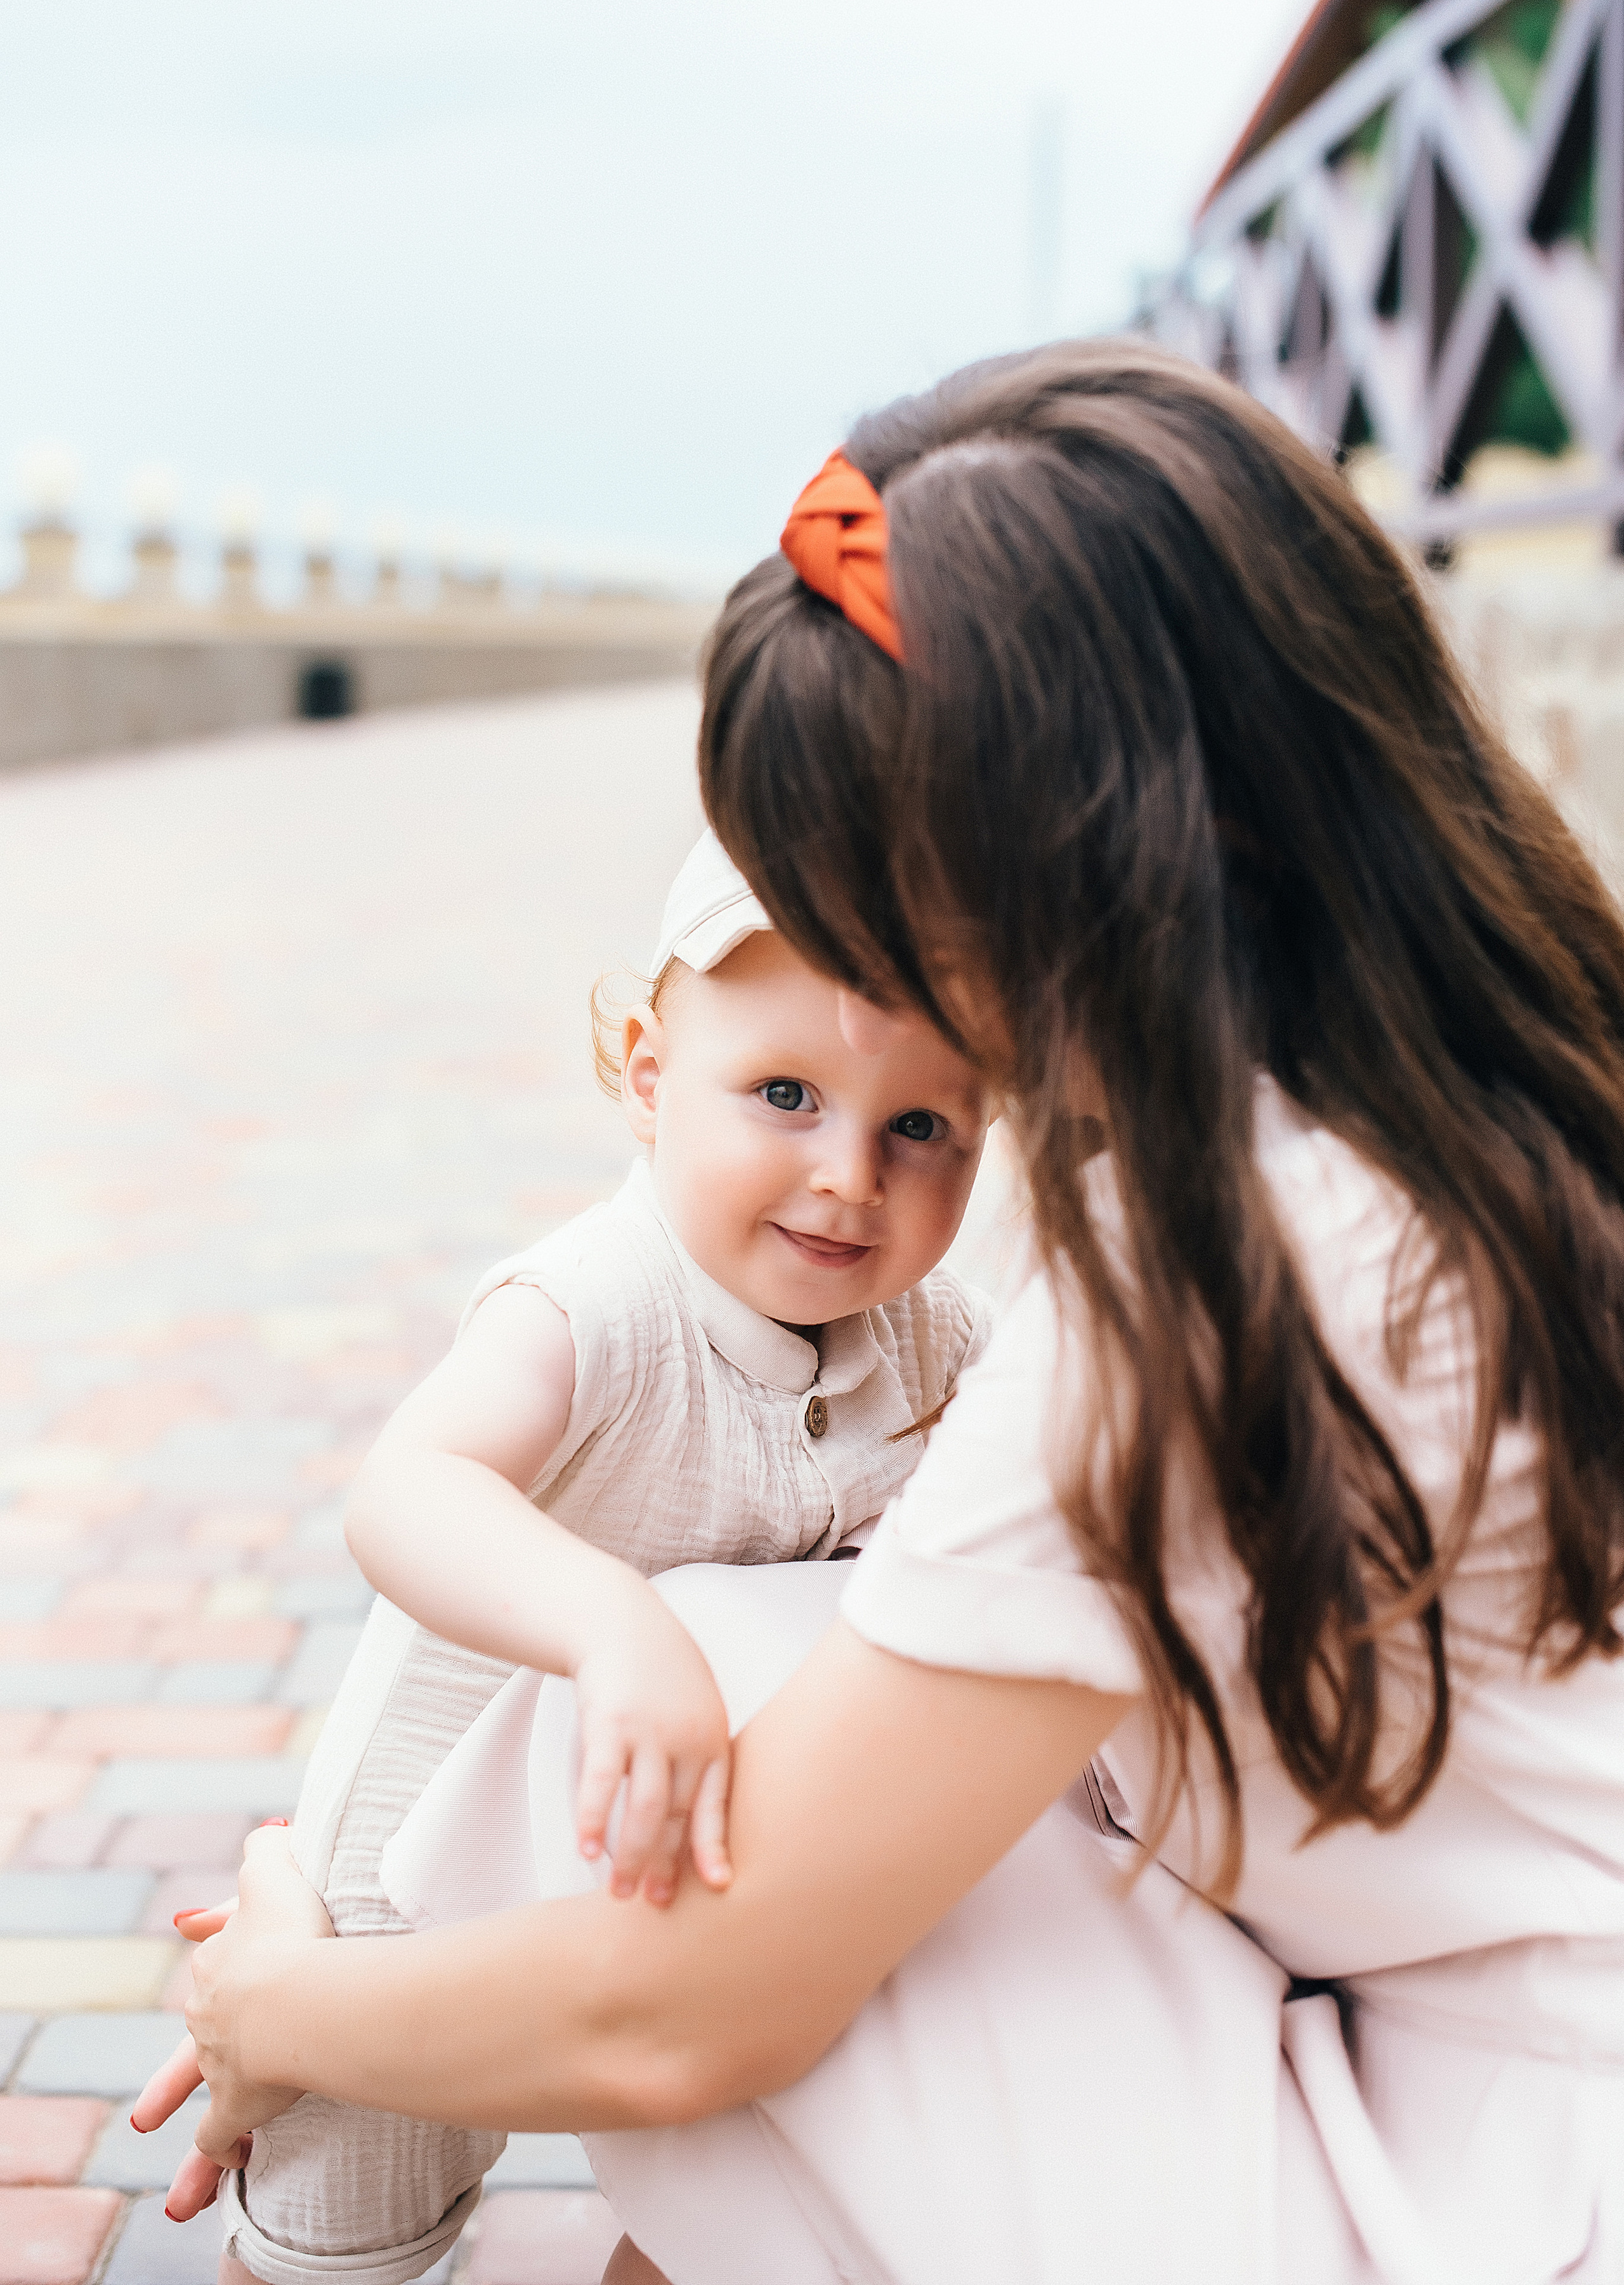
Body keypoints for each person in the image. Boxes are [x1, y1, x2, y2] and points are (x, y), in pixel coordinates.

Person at [140, 343, 1624, 2284]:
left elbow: (695, 2011)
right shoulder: (1479, 1070)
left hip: (1486, 2198)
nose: (867, 981)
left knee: (633, 1756)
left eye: (882, 899)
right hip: (1484, 2035)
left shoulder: (1215, 1293)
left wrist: (267, 2007)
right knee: (743, 1679)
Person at [159, 829, 993, 2284]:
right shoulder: (591, 1308)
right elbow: (407, 1489)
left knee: (749, 2205)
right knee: (332, 2232)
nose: (849, 1179)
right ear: (648, 1070)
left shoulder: (939, 1341)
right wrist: (613, 1625)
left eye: (921, 1129)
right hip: (415, 1899)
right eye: (785, 1095)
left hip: (685, 1875)